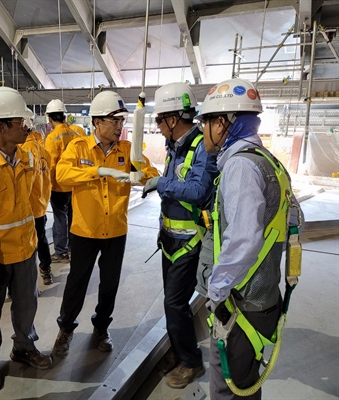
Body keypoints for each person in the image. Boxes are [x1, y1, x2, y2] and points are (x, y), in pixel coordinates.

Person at [194, 78, 303, 399]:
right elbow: (294, 220)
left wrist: (217, 290)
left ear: (222, 123)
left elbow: (243, 240)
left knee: (228, 389)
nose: (203, 132)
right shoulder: (268, 161)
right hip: (263, 296)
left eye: (205, 123)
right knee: (244, 384)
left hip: (240, 303)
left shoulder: (240, 166)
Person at [51, 91, 159, 357]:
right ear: (97, 122)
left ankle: (101, 327)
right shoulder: (78, 148)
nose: (120, 127)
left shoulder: (127, 150)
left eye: (122, 121)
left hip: (116, 230)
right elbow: (62, 175)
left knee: (109, 284)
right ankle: (66, 328)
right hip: (85, 231)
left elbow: (152, 173)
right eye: (115, 121)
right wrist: (97, 171)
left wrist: (139, 175)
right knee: (77, 283)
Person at [0, 87, 53, 392]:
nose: (27, 127)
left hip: (25, 248)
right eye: (21, 122)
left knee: (26, 305)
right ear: (2, 127)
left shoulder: (27, 156)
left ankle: (24, 346)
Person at [142, 82, 218, 389]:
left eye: (159, 120)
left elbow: (199, 191)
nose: (158, 127)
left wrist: (161, 184)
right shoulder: (174, 146)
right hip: (169, 240)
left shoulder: (202, 147)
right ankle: (178, 351)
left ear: (173, 119)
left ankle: (191, 362)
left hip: (190, 242)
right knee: (171, 303)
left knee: (175, 303)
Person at [44, 99, 83, 263]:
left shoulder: (52, 138)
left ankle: (61, 252)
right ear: (64, 116)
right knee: (73, 218)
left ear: (49, 118)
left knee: (60, 219)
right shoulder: (76, 134)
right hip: (74, 184)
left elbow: (50, 165)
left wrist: (47, 186)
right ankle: (73, 249)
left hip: (59, 186)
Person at [21, 116, 53, 285]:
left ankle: (29, 280)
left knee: (28, 244)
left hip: (29, 206)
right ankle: (46, 270)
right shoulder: (42, 149)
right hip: (41, 203)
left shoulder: (23, 151)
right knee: (41, 238)